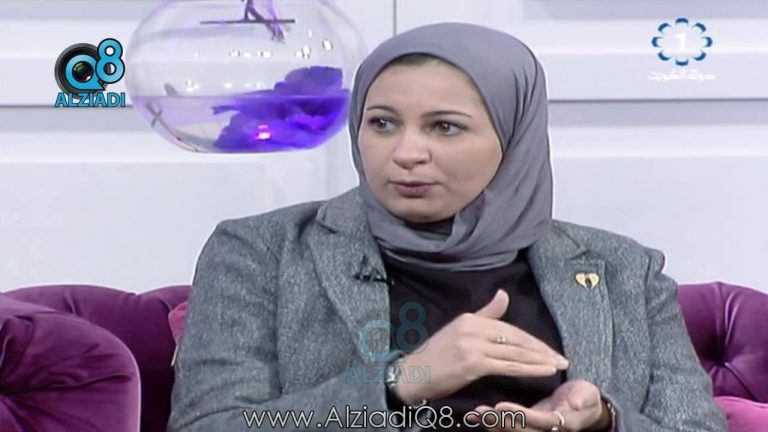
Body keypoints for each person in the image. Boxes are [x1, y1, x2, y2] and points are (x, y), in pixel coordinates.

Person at [167, 22, 727, 432]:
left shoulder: (622, 268)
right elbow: (210, 425)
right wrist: (402, 384)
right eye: (382, 123)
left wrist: (605, 419)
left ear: (513, 138)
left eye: (445, 127)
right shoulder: (261, 251)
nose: (406, 153)